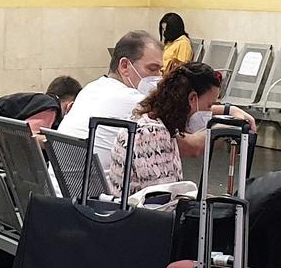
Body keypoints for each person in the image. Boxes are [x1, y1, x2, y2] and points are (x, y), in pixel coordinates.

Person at [107, 60, 252, 197]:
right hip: (141, 220)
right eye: (209, 105)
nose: (209, 112)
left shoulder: (149, 120)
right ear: (192, 99)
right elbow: (161, 201)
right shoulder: (153, 134)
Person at [59, 31, 164, 160]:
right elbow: (187, 146)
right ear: (124, 66)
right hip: (97, 180)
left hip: (58, 179)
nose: (159, 77)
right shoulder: (134, 101)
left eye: (161, 70)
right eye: (152, 69)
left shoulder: (90, 89)